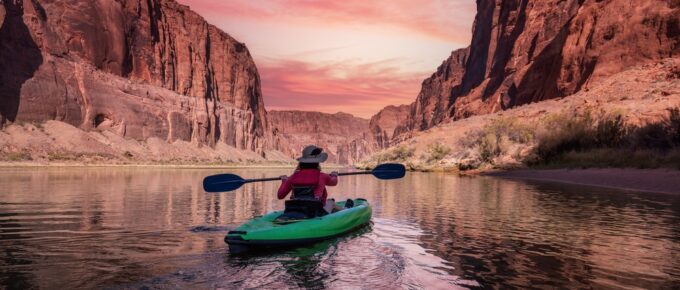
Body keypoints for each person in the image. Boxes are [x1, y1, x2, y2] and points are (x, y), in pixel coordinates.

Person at [277, 145, 348, 214]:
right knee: (330, 202)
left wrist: (284, 181)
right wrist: (334, 175)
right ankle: (346, 210)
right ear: (317, 163)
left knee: (328, 202)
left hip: (297, 208)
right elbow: (334, 182)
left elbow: (280, 195)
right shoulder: (322, 176)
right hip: (315, 212)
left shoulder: (293, 177)